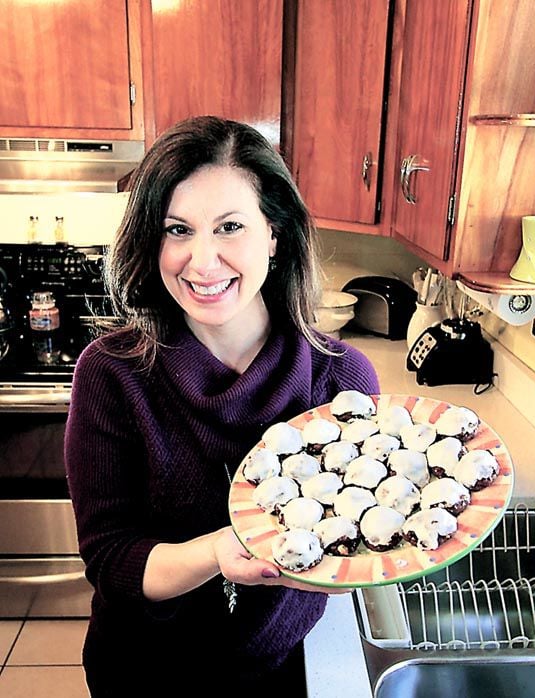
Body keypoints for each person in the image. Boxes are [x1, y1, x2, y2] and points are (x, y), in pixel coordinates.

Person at [64, 115, 380, 696]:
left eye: (230, 226)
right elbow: (111, 561)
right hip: (142, 672)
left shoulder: (339, 378)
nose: (201, 262)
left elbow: (356, 533)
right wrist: (220, 551)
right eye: (177, 230)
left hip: (279, 668)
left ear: (275, 235)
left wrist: (353, 563)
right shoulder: (112, 375)